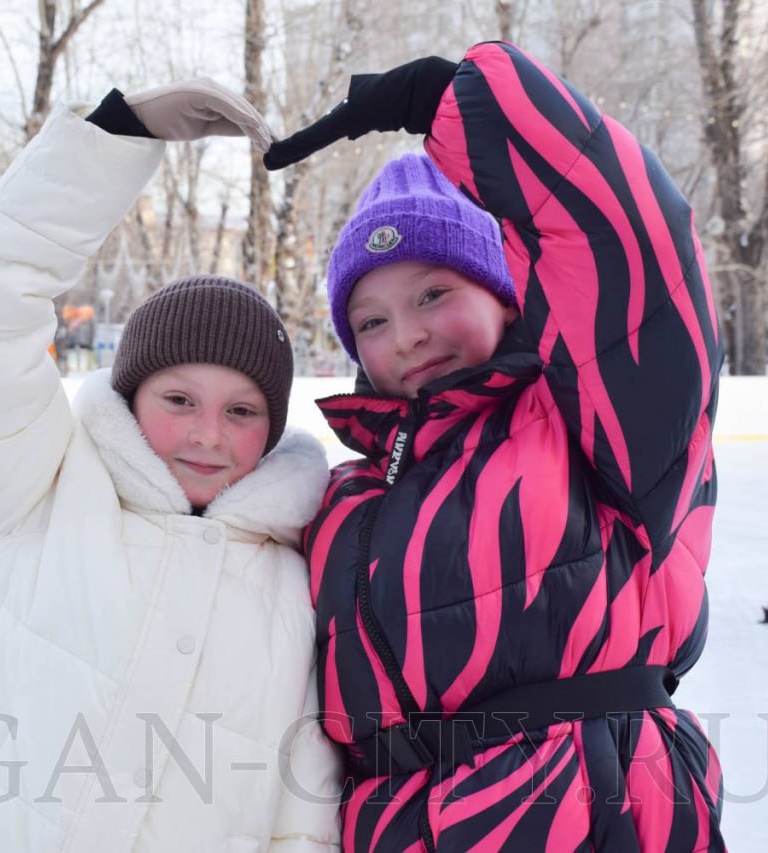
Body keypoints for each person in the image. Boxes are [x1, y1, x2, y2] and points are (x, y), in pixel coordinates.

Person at [266, 43, 725, 850]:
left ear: (504, 290)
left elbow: (632, 244)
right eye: (370, 320)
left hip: (595, 817)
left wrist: (464, 104)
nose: (406, 336)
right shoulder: (341, 496)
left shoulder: (591, 419)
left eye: (434, 292)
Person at [0, 81, 342, 852]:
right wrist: (111, 140)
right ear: (131, 395)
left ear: (271, 430)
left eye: (242, 411)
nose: (208, 433)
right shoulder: (33, 486)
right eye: (179, 398)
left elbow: (302, 813)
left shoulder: (294, 576)